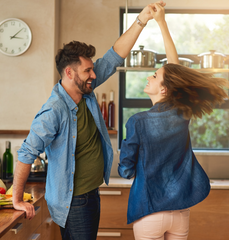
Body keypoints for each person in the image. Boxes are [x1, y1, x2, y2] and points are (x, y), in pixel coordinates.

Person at [12, 2, 162, 240]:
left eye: (93, 69)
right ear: (69, 73)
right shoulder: (55, 110)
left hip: (90, 193)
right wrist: (17, 199)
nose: (94, 75)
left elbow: (114, 57)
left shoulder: (85, 91)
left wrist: (142, 19)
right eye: (88, 70)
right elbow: (26, 153)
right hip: (75, 200)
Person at [118, 3, 229, 240]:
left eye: (155, 76)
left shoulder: (137, 122)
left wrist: (131, 165)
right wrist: (161, 22)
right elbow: (175, 68)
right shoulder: (182, 114)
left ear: (165, 90)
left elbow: (126, 170)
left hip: (149, 211)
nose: (149, 76)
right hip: (180, 212)